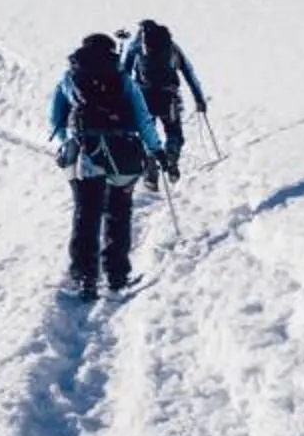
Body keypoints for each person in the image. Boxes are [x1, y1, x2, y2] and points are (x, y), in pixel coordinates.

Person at [49, 31, 165, 298]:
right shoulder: (122, 78)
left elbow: (55, 117)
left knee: (85, 213)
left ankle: (85, 277)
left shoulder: (70, 78)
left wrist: (67, 140)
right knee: (119, 212)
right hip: (120, 153)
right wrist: (155, 149)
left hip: (85, 154)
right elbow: (142, 117)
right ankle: (116, 276)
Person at [122, 18, 206, 177]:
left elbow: (124, 74)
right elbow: (189, 73)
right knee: (174, 133)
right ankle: (171, 159)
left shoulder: (136, 47)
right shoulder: (172, 47)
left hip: (143, 98)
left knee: (147, 134)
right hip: (169, 97)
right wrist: (199, 99)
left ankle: (150, 164)